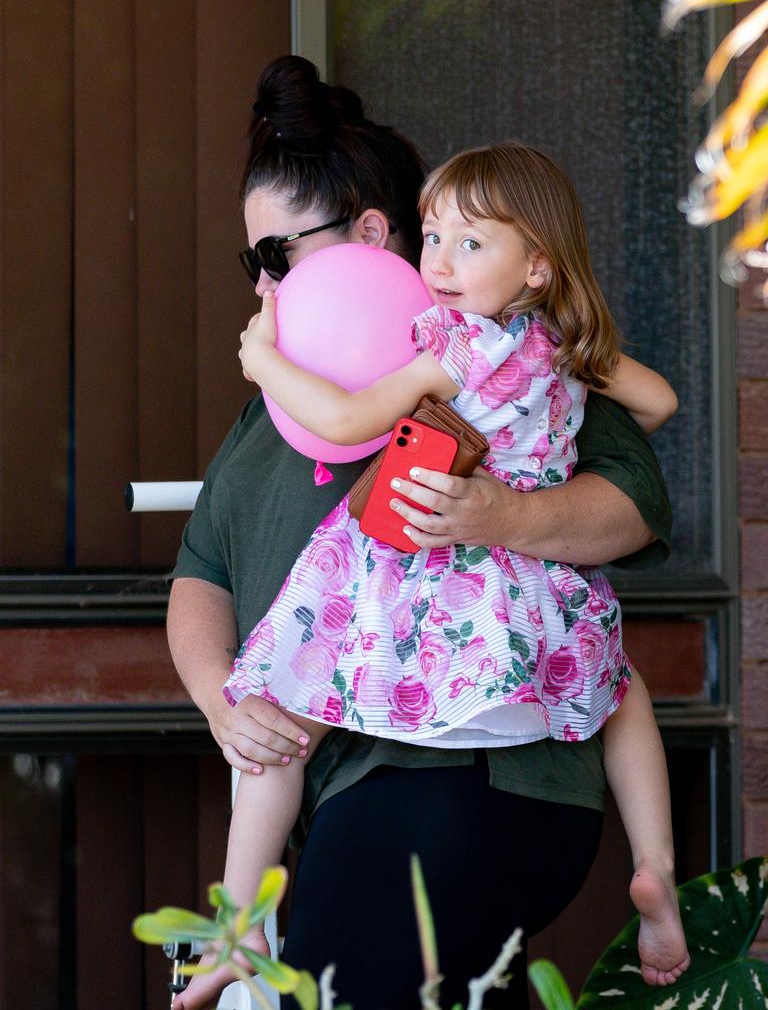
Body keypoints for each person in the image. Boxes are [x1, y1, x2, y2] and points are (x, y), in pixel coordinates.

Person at [168, 56, 683, 1010]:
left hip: (461, 766)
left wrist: (506, 512)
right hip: (348, 773)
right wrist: (217, 699)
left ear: (368, 232)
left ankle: (232, 933)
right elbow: (200, 568)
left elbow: (633, 502)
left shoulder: (450, 347)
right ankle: (236, 932)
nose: (265, 282)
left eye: (277, 254)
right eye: (255, 265)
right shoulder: (536, 355)